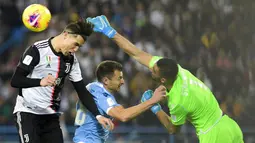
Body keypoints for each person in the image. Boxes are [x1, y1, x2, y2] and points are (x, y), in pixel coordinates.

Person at [86, 15, 244, 143]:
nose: (150, 69)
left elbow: (172, 129)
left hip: (213, 136)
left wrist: (156, 109)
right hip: (229, 125)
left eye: (153, 71)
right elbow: (136, 53)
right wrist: (110, 32)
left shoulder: (177, 101)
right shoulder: (177, 70)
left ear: (162, 80)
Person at [10, 19, 114, 143]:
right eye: (75, 44)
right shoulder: (37, 50)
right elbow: (16, 80)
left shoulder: (71, 61)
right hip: (27, 113)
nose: (75, 49)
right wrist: (40, 82)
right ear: (66, 35)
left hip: (50, 117)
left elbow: (81, 90)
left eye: (79, 47)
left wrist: (98, 115)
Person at [73, 60, 166, 143]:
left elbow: (121, 111)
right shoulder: (99, 92)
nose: (123, 82)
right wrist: (152, 100)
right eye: (119, 78)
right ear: (106, 80)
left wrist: (142, 104)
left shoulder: (93, 88)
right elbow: (123, 115)